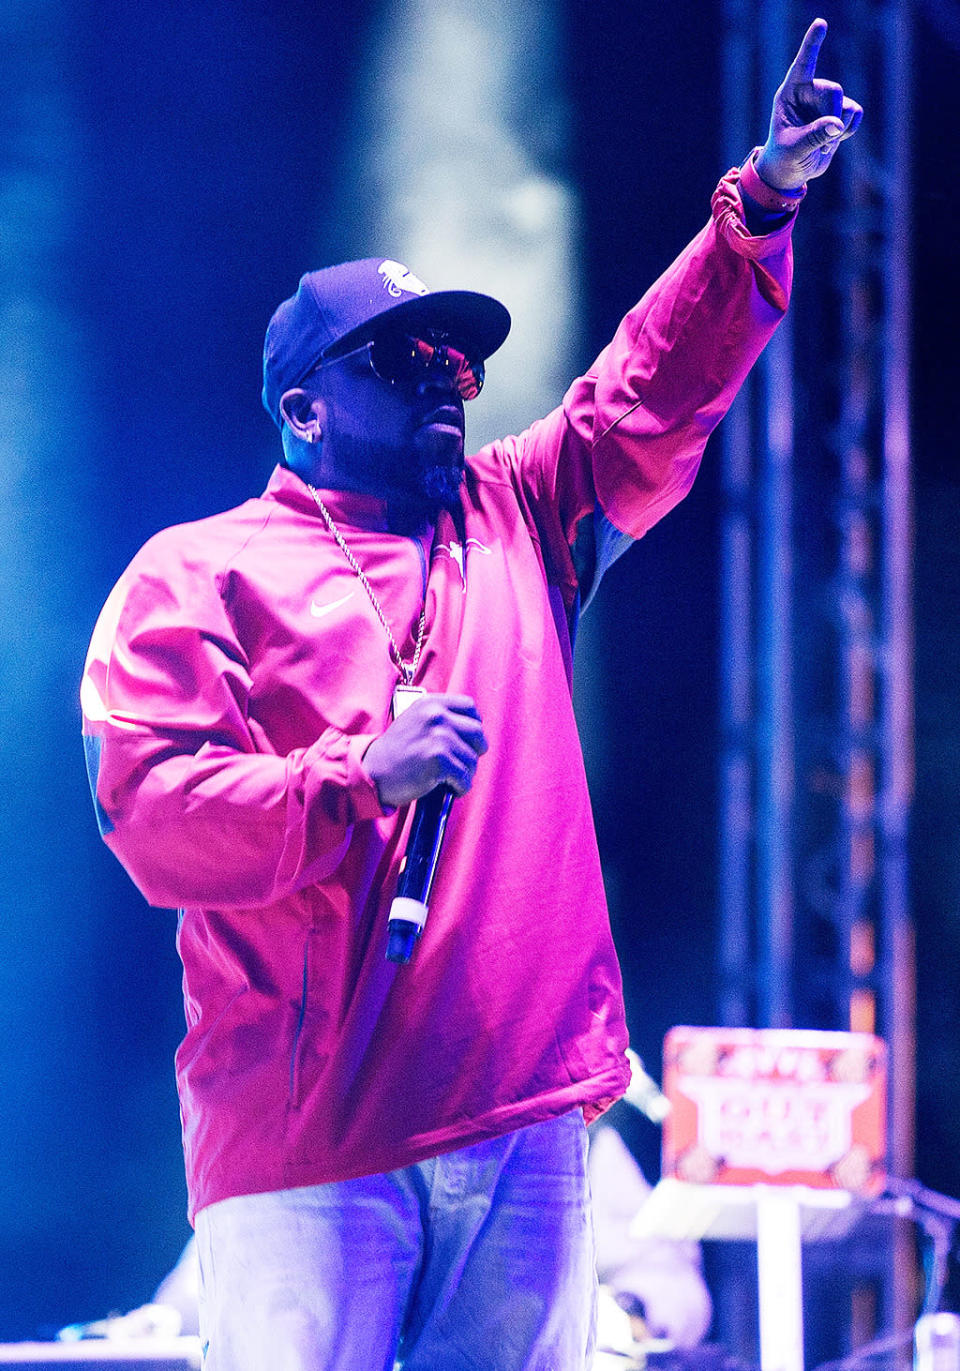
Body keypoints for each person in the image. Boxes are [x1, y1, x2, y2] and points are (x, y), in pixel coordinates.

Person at [81, 20, 860, 1371]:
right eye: (401, 363)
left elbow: (653, 390)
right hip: (308, 1135)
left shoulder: (518, 516)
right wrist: (355, 777)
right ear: (305, 410)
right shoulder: (197, 574)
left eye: (458, 363)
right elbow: (153, 817)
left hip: (519, 1115)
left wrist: (765, 200)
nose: (446, 383)